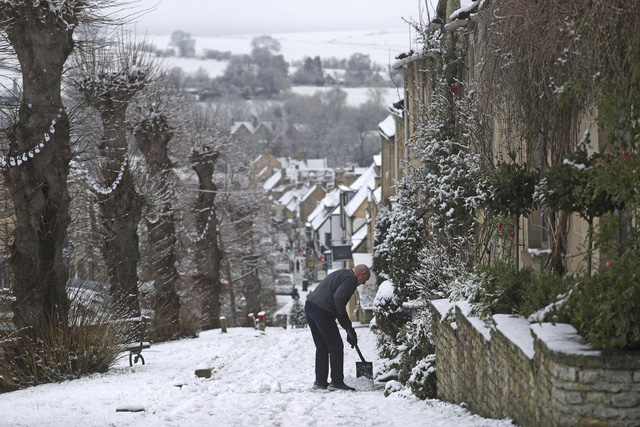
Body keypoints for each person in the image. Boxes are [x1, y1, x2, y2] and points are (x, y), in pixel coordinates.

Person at [304, 264, 370, 391]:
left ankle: (320, 382)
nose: (363, 284)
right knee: (336, 346)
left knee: (322, 346)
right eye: (365, 280)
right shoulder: (351, 278)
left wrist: (348, 328)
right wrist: (349, 328)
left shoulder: (342, 273)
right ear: (361, 274)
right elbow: (338, 300)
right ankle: (336, 381)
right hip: (322, 309)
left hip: (310, 306)